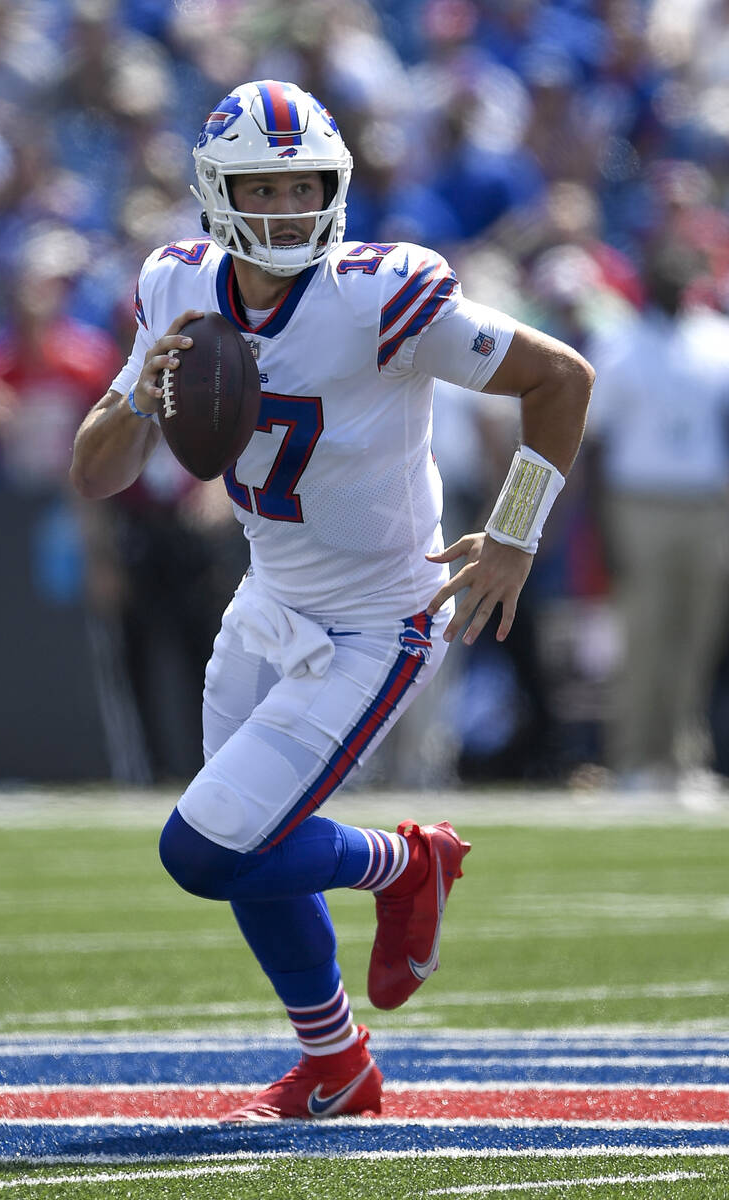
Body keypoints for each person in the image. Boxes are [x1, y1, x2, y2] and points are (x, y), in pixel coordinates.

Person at [70, 80, 592, 1121]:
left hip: (377, 619)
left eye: (305, 182)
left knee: (206, 846)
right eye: (262, 188)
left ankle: (404, 864)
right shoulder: (174, 286)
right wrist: (140, 390)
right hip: (267, 605)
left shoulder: (379, 293)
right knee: (250, 849)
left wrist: (515, 532)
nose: (288, 205)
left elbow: (561, 380)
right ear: (217, 195)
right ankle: (338, 1067)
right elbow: (96, 472)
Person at [586, 239, 729, 788]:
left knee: (697, 635)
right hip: (639, 501)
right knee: (645, 635)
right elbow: (595, 444)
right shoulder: (620, 343)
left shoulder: (716, 341)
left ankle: (683, 758)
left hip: (704, 504)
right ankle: (633, 760)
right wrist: (602, 528)